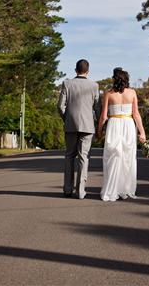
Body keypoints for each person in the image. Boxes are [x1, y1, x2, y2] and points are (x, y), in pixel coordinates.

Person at [97, 68, 146, 201]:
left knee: (112, 156)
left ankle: (112, 189)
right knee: (127, 157)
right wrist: (142, 132)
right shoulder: (132, 93)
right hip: (128, 124)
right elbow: (136, 114)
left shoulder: (108, 94)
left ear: (114, 79)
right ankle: (125, 189)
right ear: (126, 79)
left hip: (114, 124)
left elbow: (103, 116)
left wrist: (99, 131)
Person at [57, 59, 100, 199]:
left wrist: (67, 118)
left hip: (70, 125)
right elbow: (97, 107)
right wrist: (99, 124)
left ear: (75, 70)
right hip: (88, 126)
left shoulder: (67, 83)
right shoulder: (94, 86)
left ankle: (67, 189)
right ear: (88, 71)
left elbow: (60, 106)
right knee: (84, 157)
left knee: (69, 156)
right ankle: (80, 191)